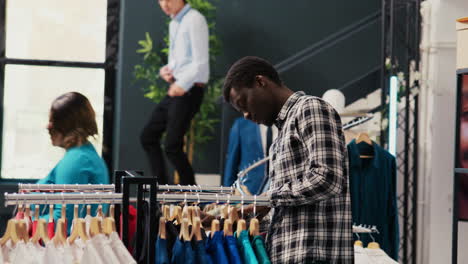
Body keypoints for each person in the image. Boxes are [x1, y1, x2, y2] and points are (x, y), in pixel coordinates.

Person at [223, 56, 354, 263]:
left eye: (244, 103)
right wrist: (236, 218)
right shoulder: (281, 136)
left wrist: (268, 198)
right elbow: (287, 213)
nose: (246, 115)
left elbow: (328, 178)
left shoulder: (311, 108)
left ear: (260, 82)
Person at [140, 0, 209, 185]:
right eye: (161, 0)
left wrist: (182, 84)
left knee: (172, 146)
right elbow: (181, 61)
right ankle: (160, 187)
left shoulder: (195, 19)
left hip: (189, 90)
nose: (165, 4)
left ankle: (191, 197)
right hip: (177, 87)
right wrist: (167, 69)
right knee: (148, 136)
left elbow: (200, 63)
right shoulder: (174, 23)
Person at [37, 92, 109, 232]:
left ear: (68, 125)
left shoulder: (77, 160)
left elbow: (63, 219)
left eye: (53, 120)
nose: (48, 126)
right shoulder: (84, 155)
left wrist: (22, 227)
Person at [223, 117, 277, 195]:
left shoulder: (286, 124)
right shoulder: (242, 125)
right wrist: (227, 196)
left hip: (279, 193)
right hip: (248, 194)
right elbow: (231, 164)